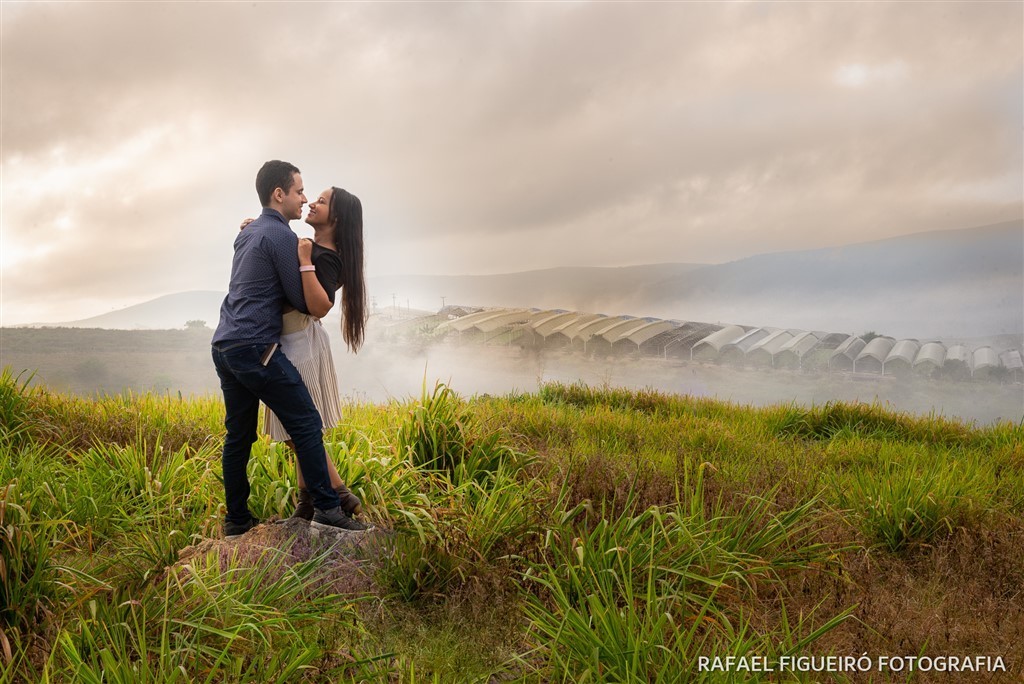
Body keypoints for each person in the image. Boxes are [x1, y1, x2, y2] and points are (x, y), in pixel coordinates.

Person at [211, 160, 369, 538]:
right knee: (305, 422)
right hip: (256, 347)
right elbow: (304, 301)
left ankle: (236, 521)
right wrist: (301, 261)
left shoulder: (249, 234)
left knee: (238, 436)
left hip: (225, 344)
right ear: (279, 194)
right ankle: (329, 508)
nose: (304, 199)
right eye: (300, 191)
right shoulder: (283, 237)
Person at [256, 187, 368, 520]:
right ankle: (308, 503)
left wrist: (304, 261)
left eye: (321, 201)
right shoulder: (313, 245)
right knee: (299, 428)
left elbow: (320, 306)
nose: (312, 203)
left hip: (299, 341)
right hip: (291, 339)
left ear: (336, 217)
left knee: (297, 427)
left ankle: (339, 493)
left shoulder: (328, 256)